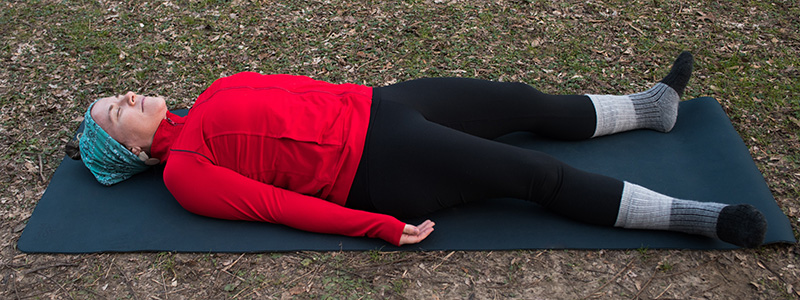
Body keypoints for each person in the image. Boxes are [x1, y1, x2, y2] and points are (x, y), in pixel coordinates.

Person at [70, 51, 767, 248]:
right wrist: (376, 226)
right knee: (538, 175)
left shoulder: (219, 88)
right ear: (124, 149)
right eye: (113, 110)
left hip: (385, 106)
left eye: (118, 93)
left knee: (521, 103)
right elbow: (281, 209)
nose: (126, 96)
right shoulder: (187, 175)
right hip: (381, 167)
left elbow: (313, 89)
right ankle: (702, 218)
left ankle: (651, 109)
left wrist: (384, 101)